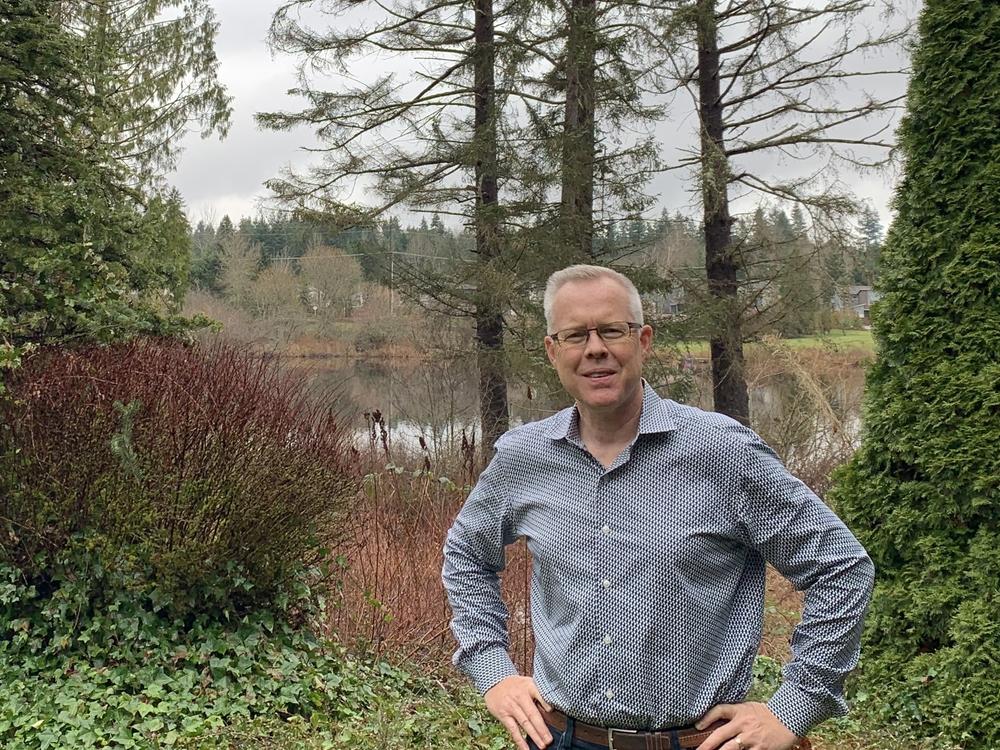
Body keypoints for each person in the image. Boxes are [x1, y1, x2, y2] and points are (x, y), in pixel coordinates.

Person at [442, 264, 874, 750]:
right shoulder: (524, 457)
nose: (595, 349)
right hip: (561, 737)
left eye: (612, 330)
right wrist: (492, 670)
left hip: (699, 742)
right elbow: (466, 557)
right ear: (551, 350)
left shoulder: (722, 452)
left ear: (644, 340)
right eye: (574, 335)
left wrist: (793, 707)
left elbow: (842, 567)